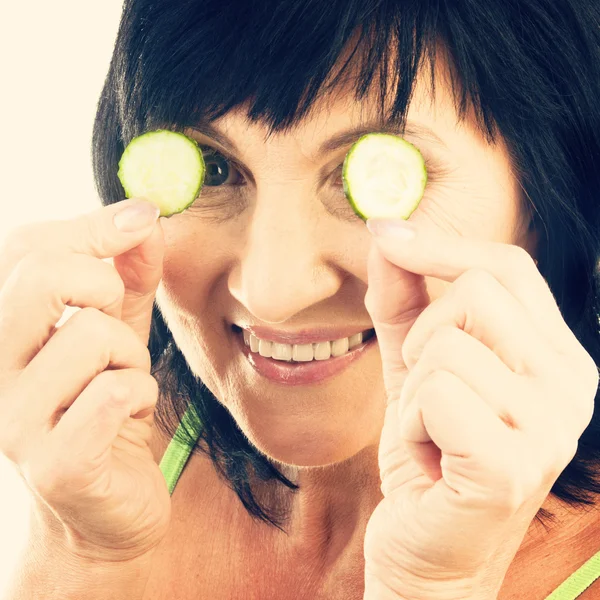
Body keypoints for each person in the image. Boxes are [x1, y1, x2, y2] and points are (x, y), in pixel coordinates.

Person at [2, 0, 600, 598]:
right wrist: (81, 553)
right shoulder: (117, 430)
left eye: (365, 178)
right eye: (213, 168)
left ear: (545, 197)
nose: (272, 293)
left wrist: (439, 584)